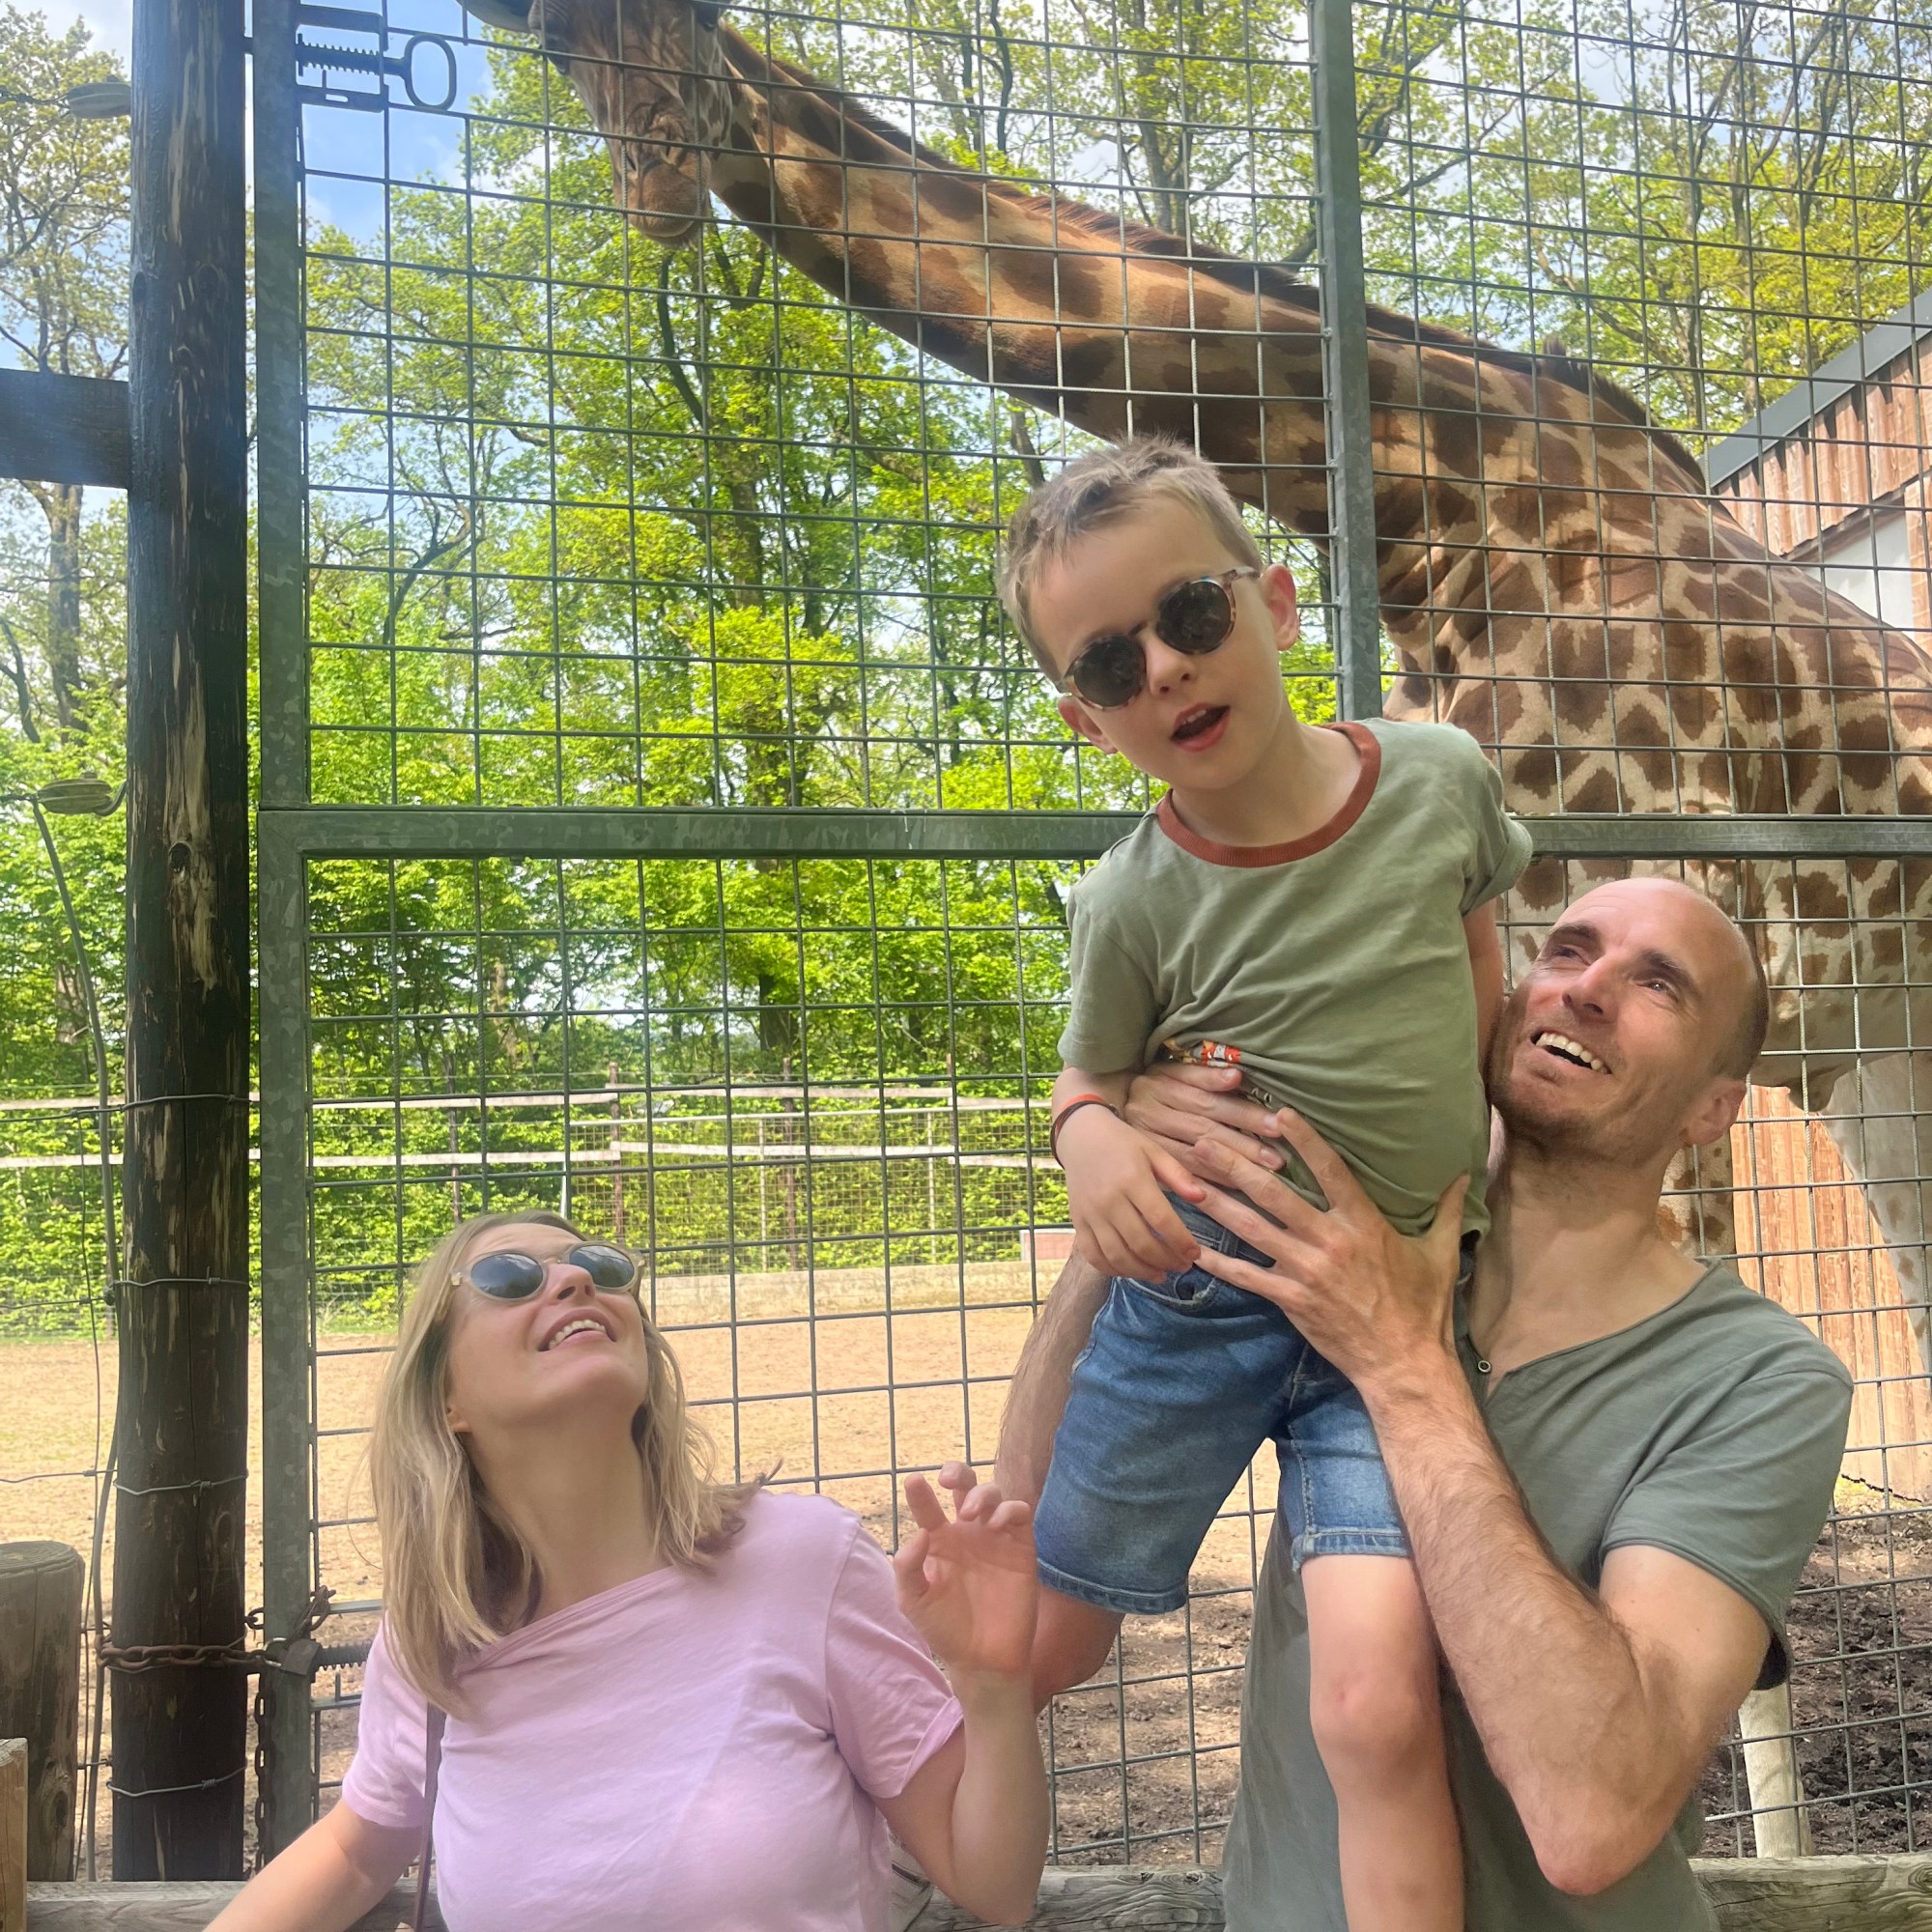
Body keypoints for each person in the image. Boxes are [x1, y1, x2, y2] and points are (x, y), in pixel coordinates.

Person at [998, 876, 1856, 1929]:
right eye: (1566, 949)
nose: (1584, 987)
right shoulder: (1337, 1246)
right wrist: (1145, 1185)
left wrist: (1402, 1367)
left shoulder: (1760, 1379)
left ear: (1710, 1108)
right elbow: (1030, 1517)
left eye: (1656, 984)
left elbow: (1591, 1816)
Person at [998, 436, 1533, 1932]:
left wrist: (1471, 1199)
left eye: (1190, 615)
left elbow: (1479, 997)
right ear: (1085, 719)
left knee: (1374, 1708)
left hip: (1393, 1339)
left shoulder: (1437, 782)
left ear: (1279, 605)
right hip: (1194, 1311)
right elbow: (1084, 1085)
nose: (1164, 667)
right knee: (1036, 1639)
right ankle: (875, 1870)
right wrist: (1092, 1142)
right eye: (1110, 662)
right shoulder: (1128, 901)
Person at [208, 1211, 1048, 1932]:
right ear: (445, 1403)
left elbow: (994, 1886)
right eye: (507, 1277)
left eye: (600, 1267)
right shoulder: (433, 1645)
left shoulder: (805, 1558)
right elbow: (358, 1849)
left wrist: (993, 1681)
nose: (573, 1279)